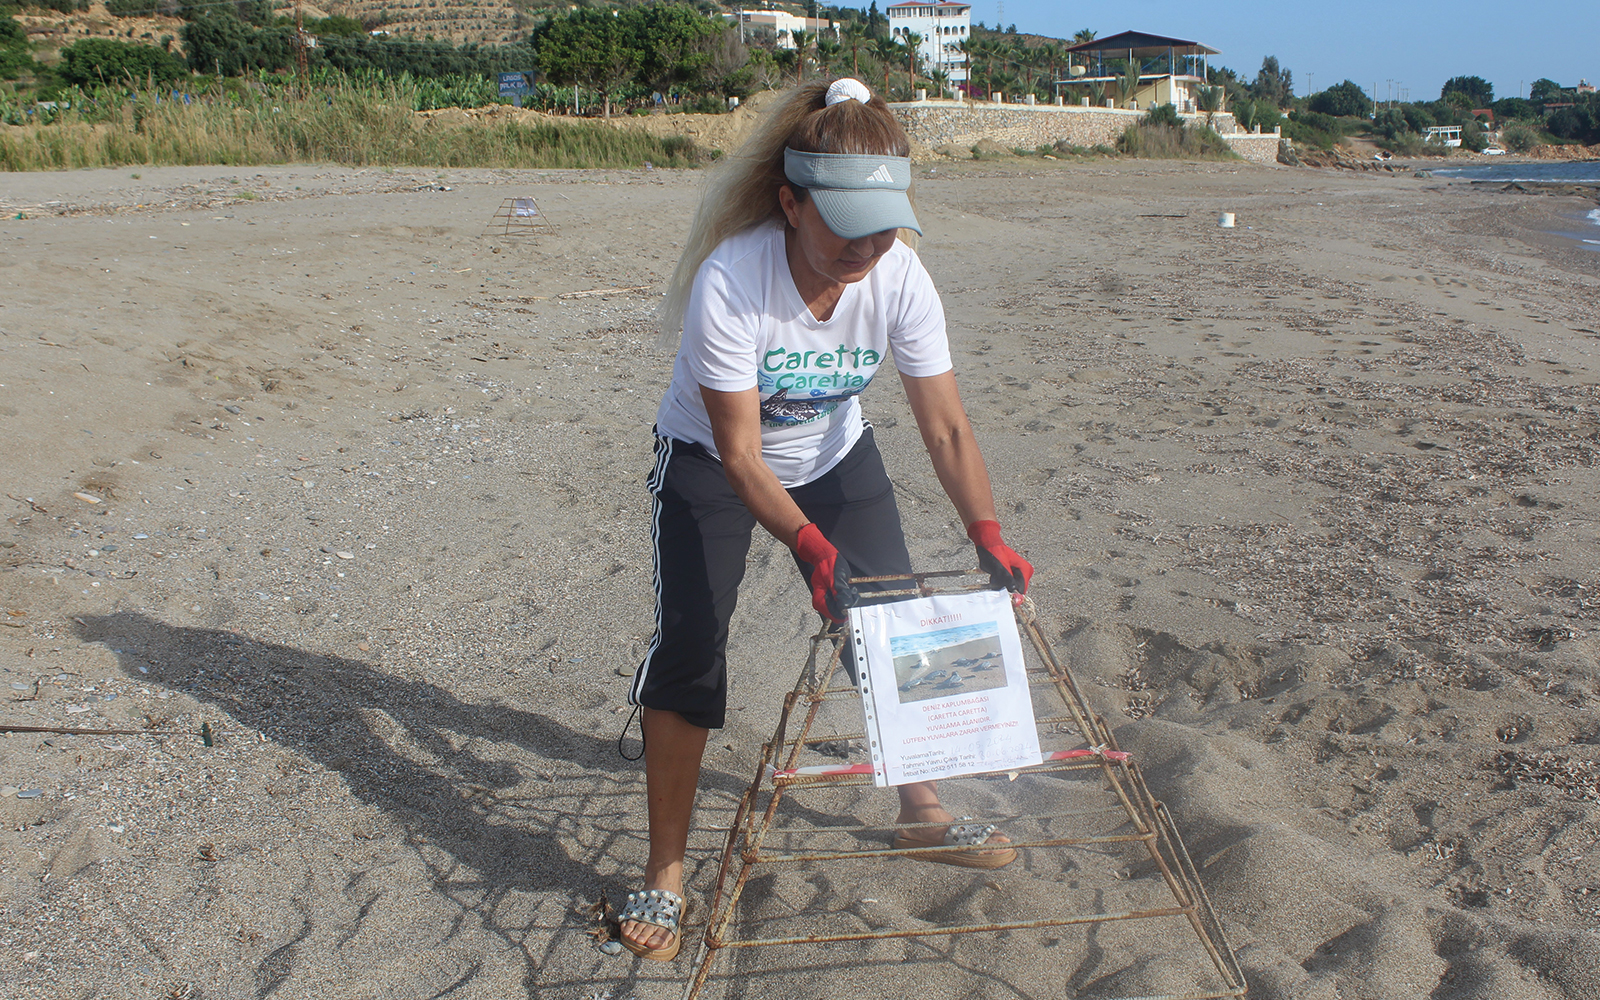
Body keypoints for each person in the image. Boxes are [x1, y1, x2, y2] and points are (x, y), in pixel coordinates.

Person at [618, 78, 1034, 962]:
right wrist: (806, 546)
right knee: (693, 647)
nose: (867, 246)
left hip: (837, 456)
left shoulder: (899, 275)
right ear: (790, 204)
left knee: (894, 623)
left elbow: (946, 423)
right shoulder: (733, 280)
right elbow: (738, 455)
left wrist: (987, 530)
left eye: (884, 225)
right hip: (711, 463)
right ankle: (664, 873)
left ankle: (923, 808)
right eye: (845, 224)